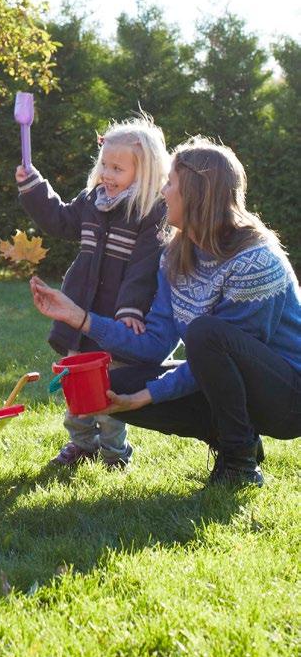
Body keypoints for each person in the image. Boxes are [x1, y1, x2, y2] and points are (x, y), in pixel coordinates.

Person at [31, 137, 301, 487]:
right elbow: (155, 346)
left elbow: (226, 354)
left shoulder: (256, 261)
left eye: (170, 182)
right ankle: (235, 437)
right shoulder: (175, 256)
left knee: (206, 334)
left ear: (195, 194)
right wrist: (78, 317)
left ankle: (239, 464)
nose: (162, 191)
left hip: (289, 398)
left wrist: (146, 396)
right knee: (115, 382)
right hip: (234, 383)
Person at [17, 114, 169, 469]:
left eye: (118, 168)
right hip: (80, 307)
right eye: (105, 165)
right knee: (76, 383)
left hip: (114, 318)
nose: (107, 175)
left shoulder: (149, 212)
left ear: (143, 172)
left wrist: (130, 310)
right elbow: (59, 219)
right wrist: (33, 187)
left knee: (110, 386)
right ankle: (81, 443)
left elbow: (144, 269)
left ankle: (115, 452)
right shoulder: (92, 200)